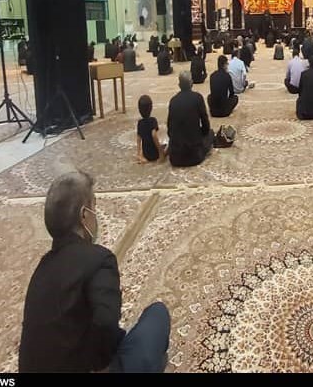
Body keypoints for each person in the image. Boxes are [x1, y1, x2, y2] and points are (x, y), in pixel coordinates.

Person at [19, 171, 171, 372]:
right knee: (157, 314)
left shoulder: (41, 269)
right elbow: (106, 322)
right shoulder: (99, 259)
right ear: (84, 215)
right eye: (95, 207)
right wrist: (100, 366)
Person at [167, 71, 214, 167]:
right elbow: (206, 125)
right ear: (191, 83)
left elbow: (170, 130)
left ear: (179, 85)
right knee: (210, 134)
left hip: (175, 157)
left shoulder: (173, 101)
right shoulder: (198, 98)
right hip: (194, 155)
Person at [136, 95, 165, 164]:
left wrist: (139, 153)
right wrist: (160, 152)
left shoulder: (140, 123)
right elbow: (154, 135)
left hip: (146, 153)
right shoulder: (153, 120)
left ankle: (141, 157)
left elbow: (138, 139)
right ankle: (161, 154)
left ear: (139, 110)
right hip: (155, 154)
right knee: (167, 147)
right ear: (151, 108)